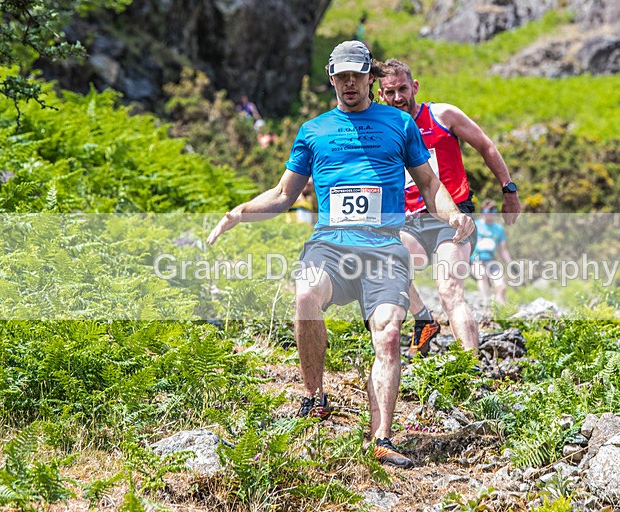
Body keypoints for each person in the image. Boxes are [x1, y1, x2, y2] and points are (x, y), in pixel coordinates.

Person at [207, 41, 473, 469]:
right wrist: (238, 212)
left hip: (385, 249)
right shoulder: (313, 130)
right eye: (342, 76)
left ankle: (381, 438)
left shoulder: (399, 124)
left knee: (387, 334)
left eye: (357, 75)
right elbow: (283, 195)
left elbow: (428, 184)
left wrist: (455, 215)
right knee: (305, 295)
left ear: (371, 77)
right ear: (331, 78)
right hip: (330, 245)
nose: (350, 83)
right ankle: (314, 397)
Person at [376, 58, 520, 355]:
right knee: (383, 259)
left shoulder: (442, 115)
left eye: (403, 89)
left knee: (449, 290)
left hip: (452, 219)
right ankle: (423, 319)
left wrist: (509, 190)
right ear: (380, 95)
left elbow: (486, 146)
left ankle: (472, 368)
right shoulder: (381, 130)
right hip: (411, 222)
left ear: (414, 86)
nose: (398, 98)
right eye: (389, 93)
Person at [471, 199, 512, 307]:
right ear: (482, 212)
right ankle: (486, 304)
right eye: (487, 211)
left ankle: (502, 310)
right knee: (482, 275)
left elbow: (503, 249)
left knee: (501, 286)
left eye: (492, 211)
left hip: (491, 260)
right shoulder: (475, 225)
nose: (490, 214)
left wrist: (510, 263)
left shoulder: (499, 229)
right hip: (477, 259)